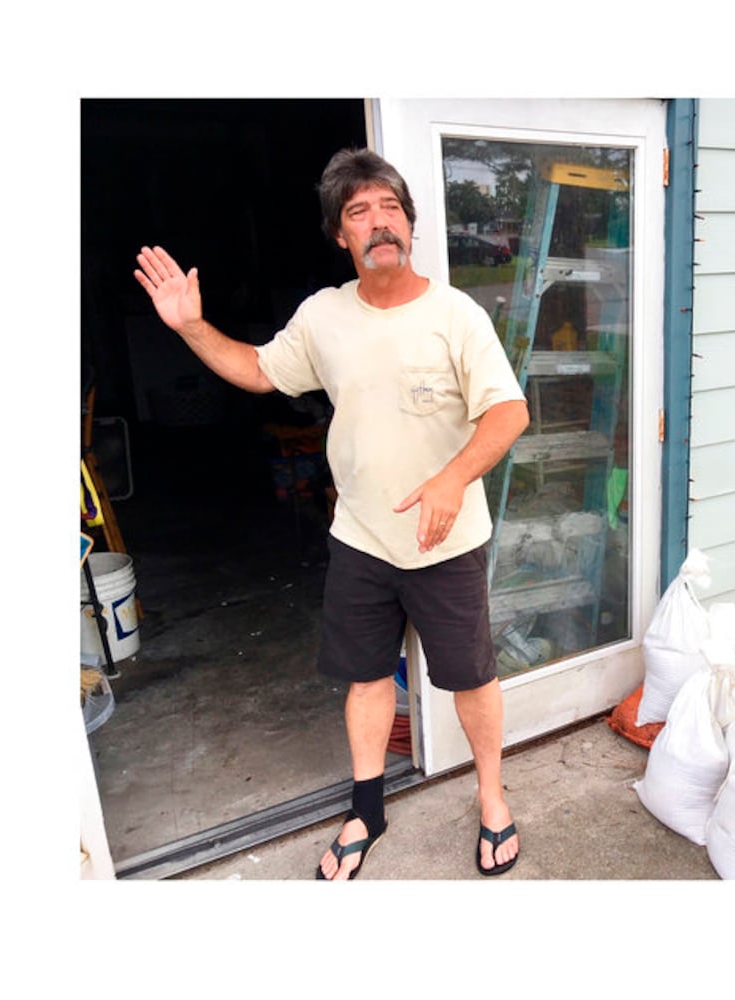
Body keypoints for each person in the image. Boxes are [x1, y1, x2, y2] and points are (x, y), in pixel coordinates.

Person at [133, 148, 529, 880]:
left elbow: (508, 412)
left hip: (447, 539)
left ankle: (493, 798)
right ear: (340, 236)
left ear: (409, 224)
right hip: (362, 538)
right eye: (358, 212)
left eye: (390, 208)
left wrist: (450, 479)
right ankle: (367, 808)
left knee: (473, 679)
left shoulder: (455, 314)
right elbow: (258, 370)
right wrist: (190, 326)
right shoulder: (324, 315)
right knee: (366, 677)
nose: (379, 222)